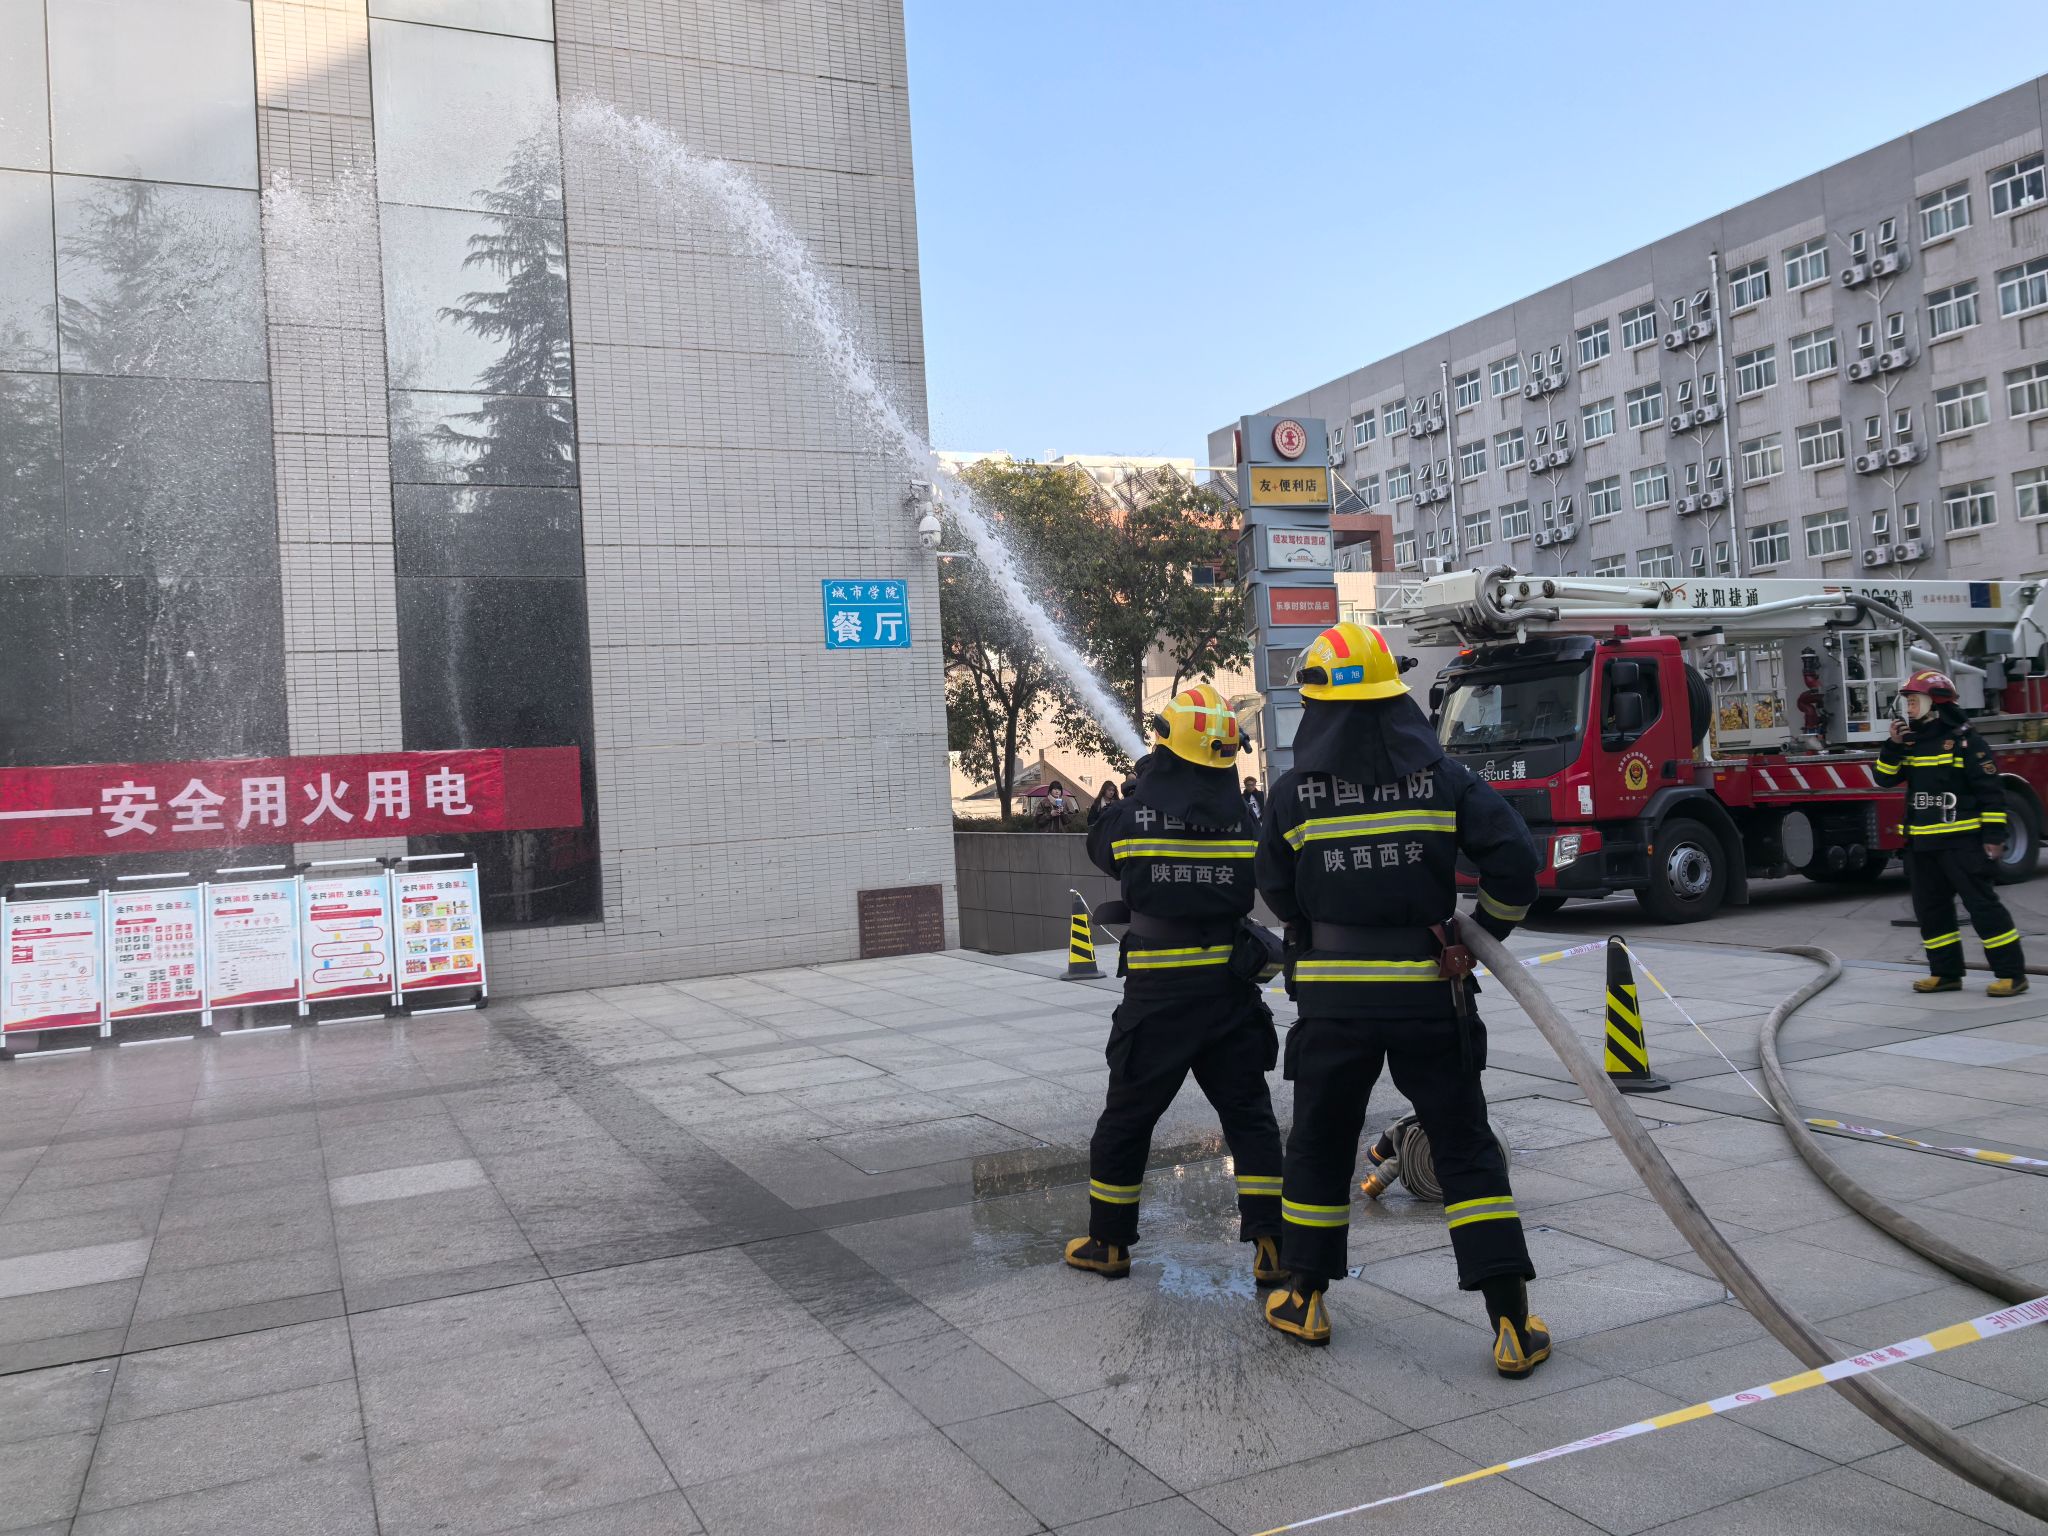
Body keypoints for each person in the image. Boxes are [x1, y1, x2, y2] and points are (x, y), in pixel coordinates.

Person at [1254, 621, 1548, 1376]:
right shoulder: (1444, 778)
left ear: (1317, 708)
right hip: (1429, 998)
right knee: (1464, 1147)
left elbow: (1277, 892)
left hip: (1334, 1007)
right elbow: (1516, 864)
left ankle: (1305, 1297)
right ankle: (1512, 1324)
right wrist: (1480, 936)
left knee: (1319, 1144)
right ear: (1395, 699)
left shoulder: (1292, 796)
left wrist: (1325, 921)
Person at [1065, 683, 1285, 1285]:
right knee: (1250, 1118)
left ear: (1165, 747)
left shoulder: (1132, 816)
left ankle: (1110, 1243)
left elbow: (1100, 846)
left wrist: (1140, 791)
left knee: (1127, 1120)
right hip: (1230, 992)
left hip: (1158, 999)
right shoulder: (1247, 819)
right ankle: (1272, 1244)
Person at [1876, 670, 2027, 996]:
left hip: (1962, 844)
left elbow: (1991, 793)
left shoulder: (1966, 741)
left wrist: (1994, 837)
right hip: (1922, 845)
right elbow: (1884, 778)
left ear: (1935, 703)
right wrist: (1893, 745)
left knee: (1982, 907)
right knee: (1931, 911)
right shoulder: (1911, 743)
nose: (1909, 708)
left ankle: (2012, 975)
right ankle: (1946, 974)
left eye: (1914, 701)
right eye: (1908, 702)